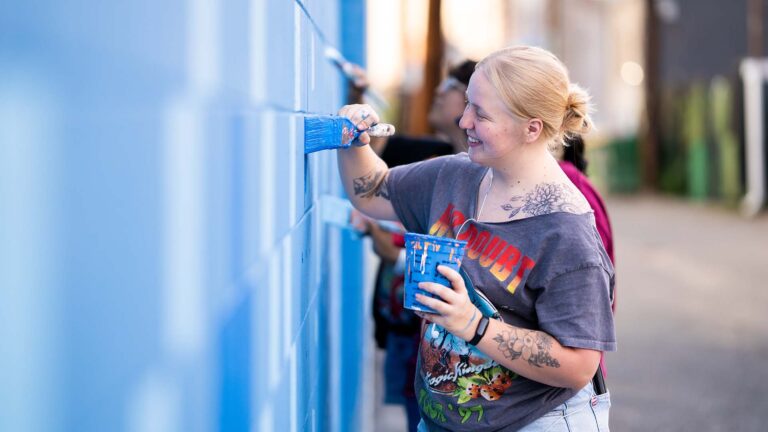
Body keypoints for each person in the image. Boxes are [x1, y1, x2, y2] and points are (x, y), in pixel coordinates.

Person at [335, 45, 616, 431]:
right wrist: (354, 141)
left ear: (532, 128)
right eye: (467, 103)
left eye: (481, 114)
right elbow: (370, 190)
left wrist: (473, 324)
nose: (463, 119)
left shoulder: (566, 231)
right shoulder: (455, 175)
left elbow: (579, 364)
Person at [351, 60, 477, 432]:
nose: (437, 91)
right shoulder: (436, 162)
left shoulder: (497, 181)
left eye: (448, 85)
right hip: (420, 336)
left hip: (461, 354)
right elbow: (373, 158)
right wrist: (357, 107)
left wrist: (395, 253)